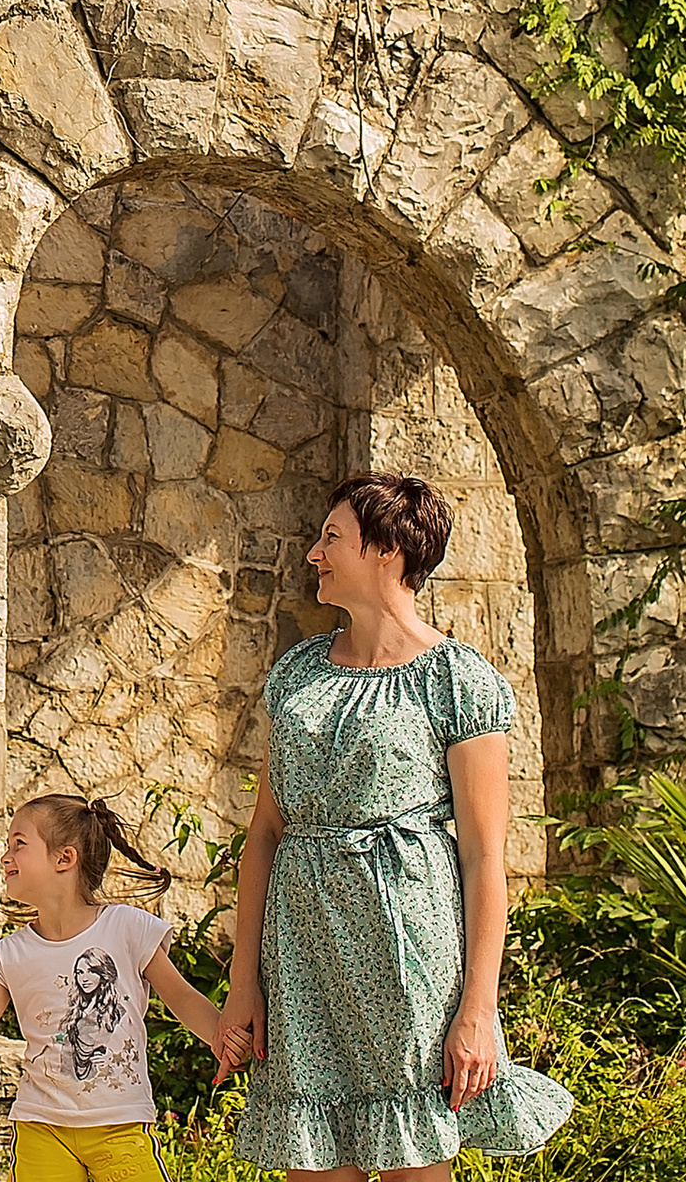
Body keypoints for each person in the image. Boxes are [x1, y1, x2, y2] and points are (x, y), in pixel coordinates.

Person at [216, 474, 574, 1179]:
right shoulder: (296, 675)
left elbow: (483, 858)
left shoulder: (458, 681)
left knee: (415, 1165)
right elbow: (265, 833)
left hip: (409, 959)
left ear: (387, 550)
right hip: (303, 962)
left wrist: (478, 1009)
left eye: (332, 538)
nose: (314, 554)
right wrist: (243, 977)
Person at [0, 793, 227, 1182]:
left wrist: (226, 1040)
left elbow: (181, 998)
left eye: (19, 844)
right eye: (7, 846)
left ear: (64, 858)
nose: (5, 857)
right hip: (41, 1129)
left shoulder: (128, 928)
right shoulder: (10, 954)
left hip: (119, 1125)